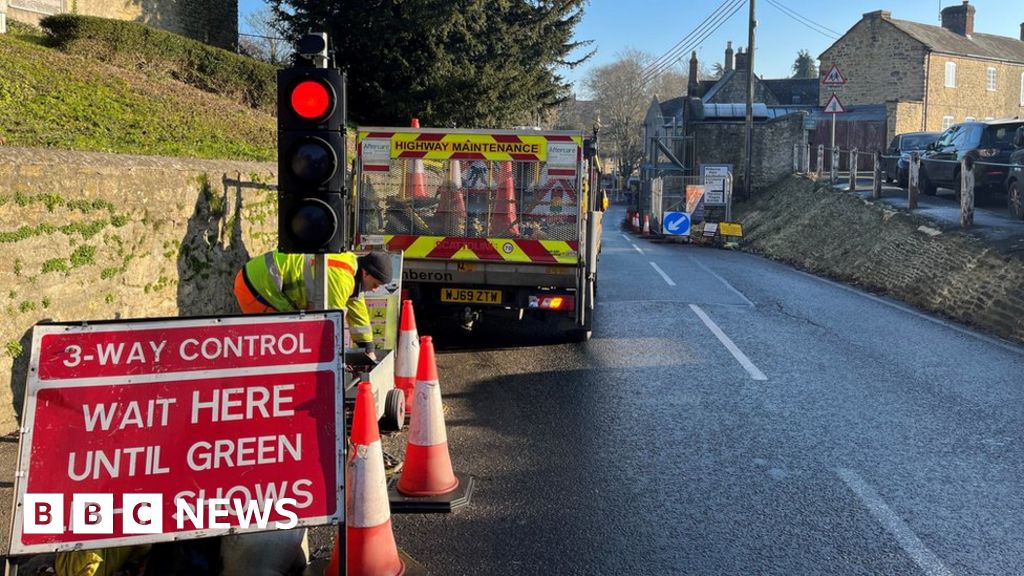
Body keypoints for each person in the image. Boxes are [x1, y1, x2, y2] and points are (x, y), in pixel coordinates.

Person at [234, 250, 392, 359]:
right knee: (287, 344)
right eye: (376, 284)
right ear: (366, 273)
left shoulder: (350, 264)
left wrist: (368, 348)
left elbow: (358, 312)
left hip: (257, 278)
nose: (375, 289)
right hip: (258, 289)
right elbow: (327, 325)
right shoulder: (341, 279)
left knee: (297, 336)